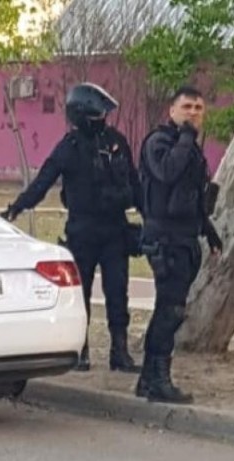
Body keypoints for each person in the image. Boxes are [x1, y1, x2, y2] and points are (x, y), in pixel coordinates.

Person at [0, 82, 143, 373]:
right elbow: (43, 182)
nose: (102, 119)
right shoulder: (69, 147)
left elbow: (135, 184)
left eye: (104, 114)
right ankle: (82, 351)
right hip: (82, 231)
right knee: (81, 294)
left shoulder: (117, 142)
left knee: (118, 294)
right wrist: (17, 207)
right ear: (82, 116)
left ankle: (120, 352)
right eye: (97, 115)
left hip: (116, 230)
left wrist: (149, 217)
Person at [134, 85, 222, 404]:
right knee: (170, 311)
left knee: (168, 310)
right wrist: (186, 137)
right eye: (187, 107)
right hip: (164, 239)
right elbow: (167, 173)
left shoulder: (192, 149)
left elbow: (192, 197)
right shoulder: (158, 142)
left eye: (199, 108)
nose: (193, 113)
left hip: (185, 238)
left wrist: (209, 232)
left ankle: (148, 379)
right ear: (172, 111)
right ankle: (158, 379)